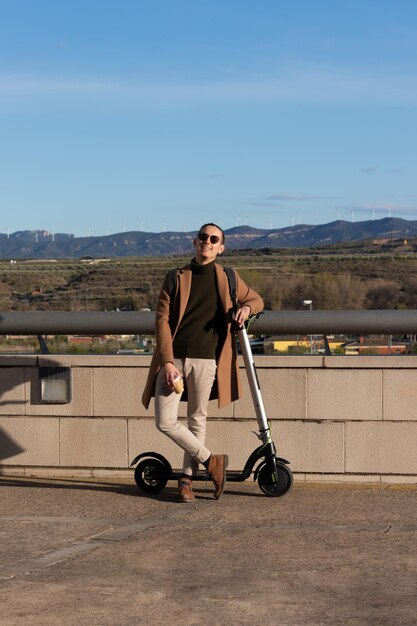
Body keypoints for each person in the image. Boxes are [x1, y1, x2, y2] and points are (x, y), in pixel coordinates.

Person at [142, 223, 264, 502]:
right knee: (165, 421)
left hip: (207, 361)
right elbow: (161, 321)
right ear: (194, 242)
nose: (206, 242)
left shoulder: (229, 278)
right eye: (202, 237)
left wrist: (246, 307)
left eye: (213, 239)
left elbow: (257, 300)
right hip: (173, 361)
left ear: (221, 247)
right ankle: (212, 461)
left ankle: (186, 481)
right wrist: (167, 362)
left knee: (197, 420)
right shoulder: (175, 277)